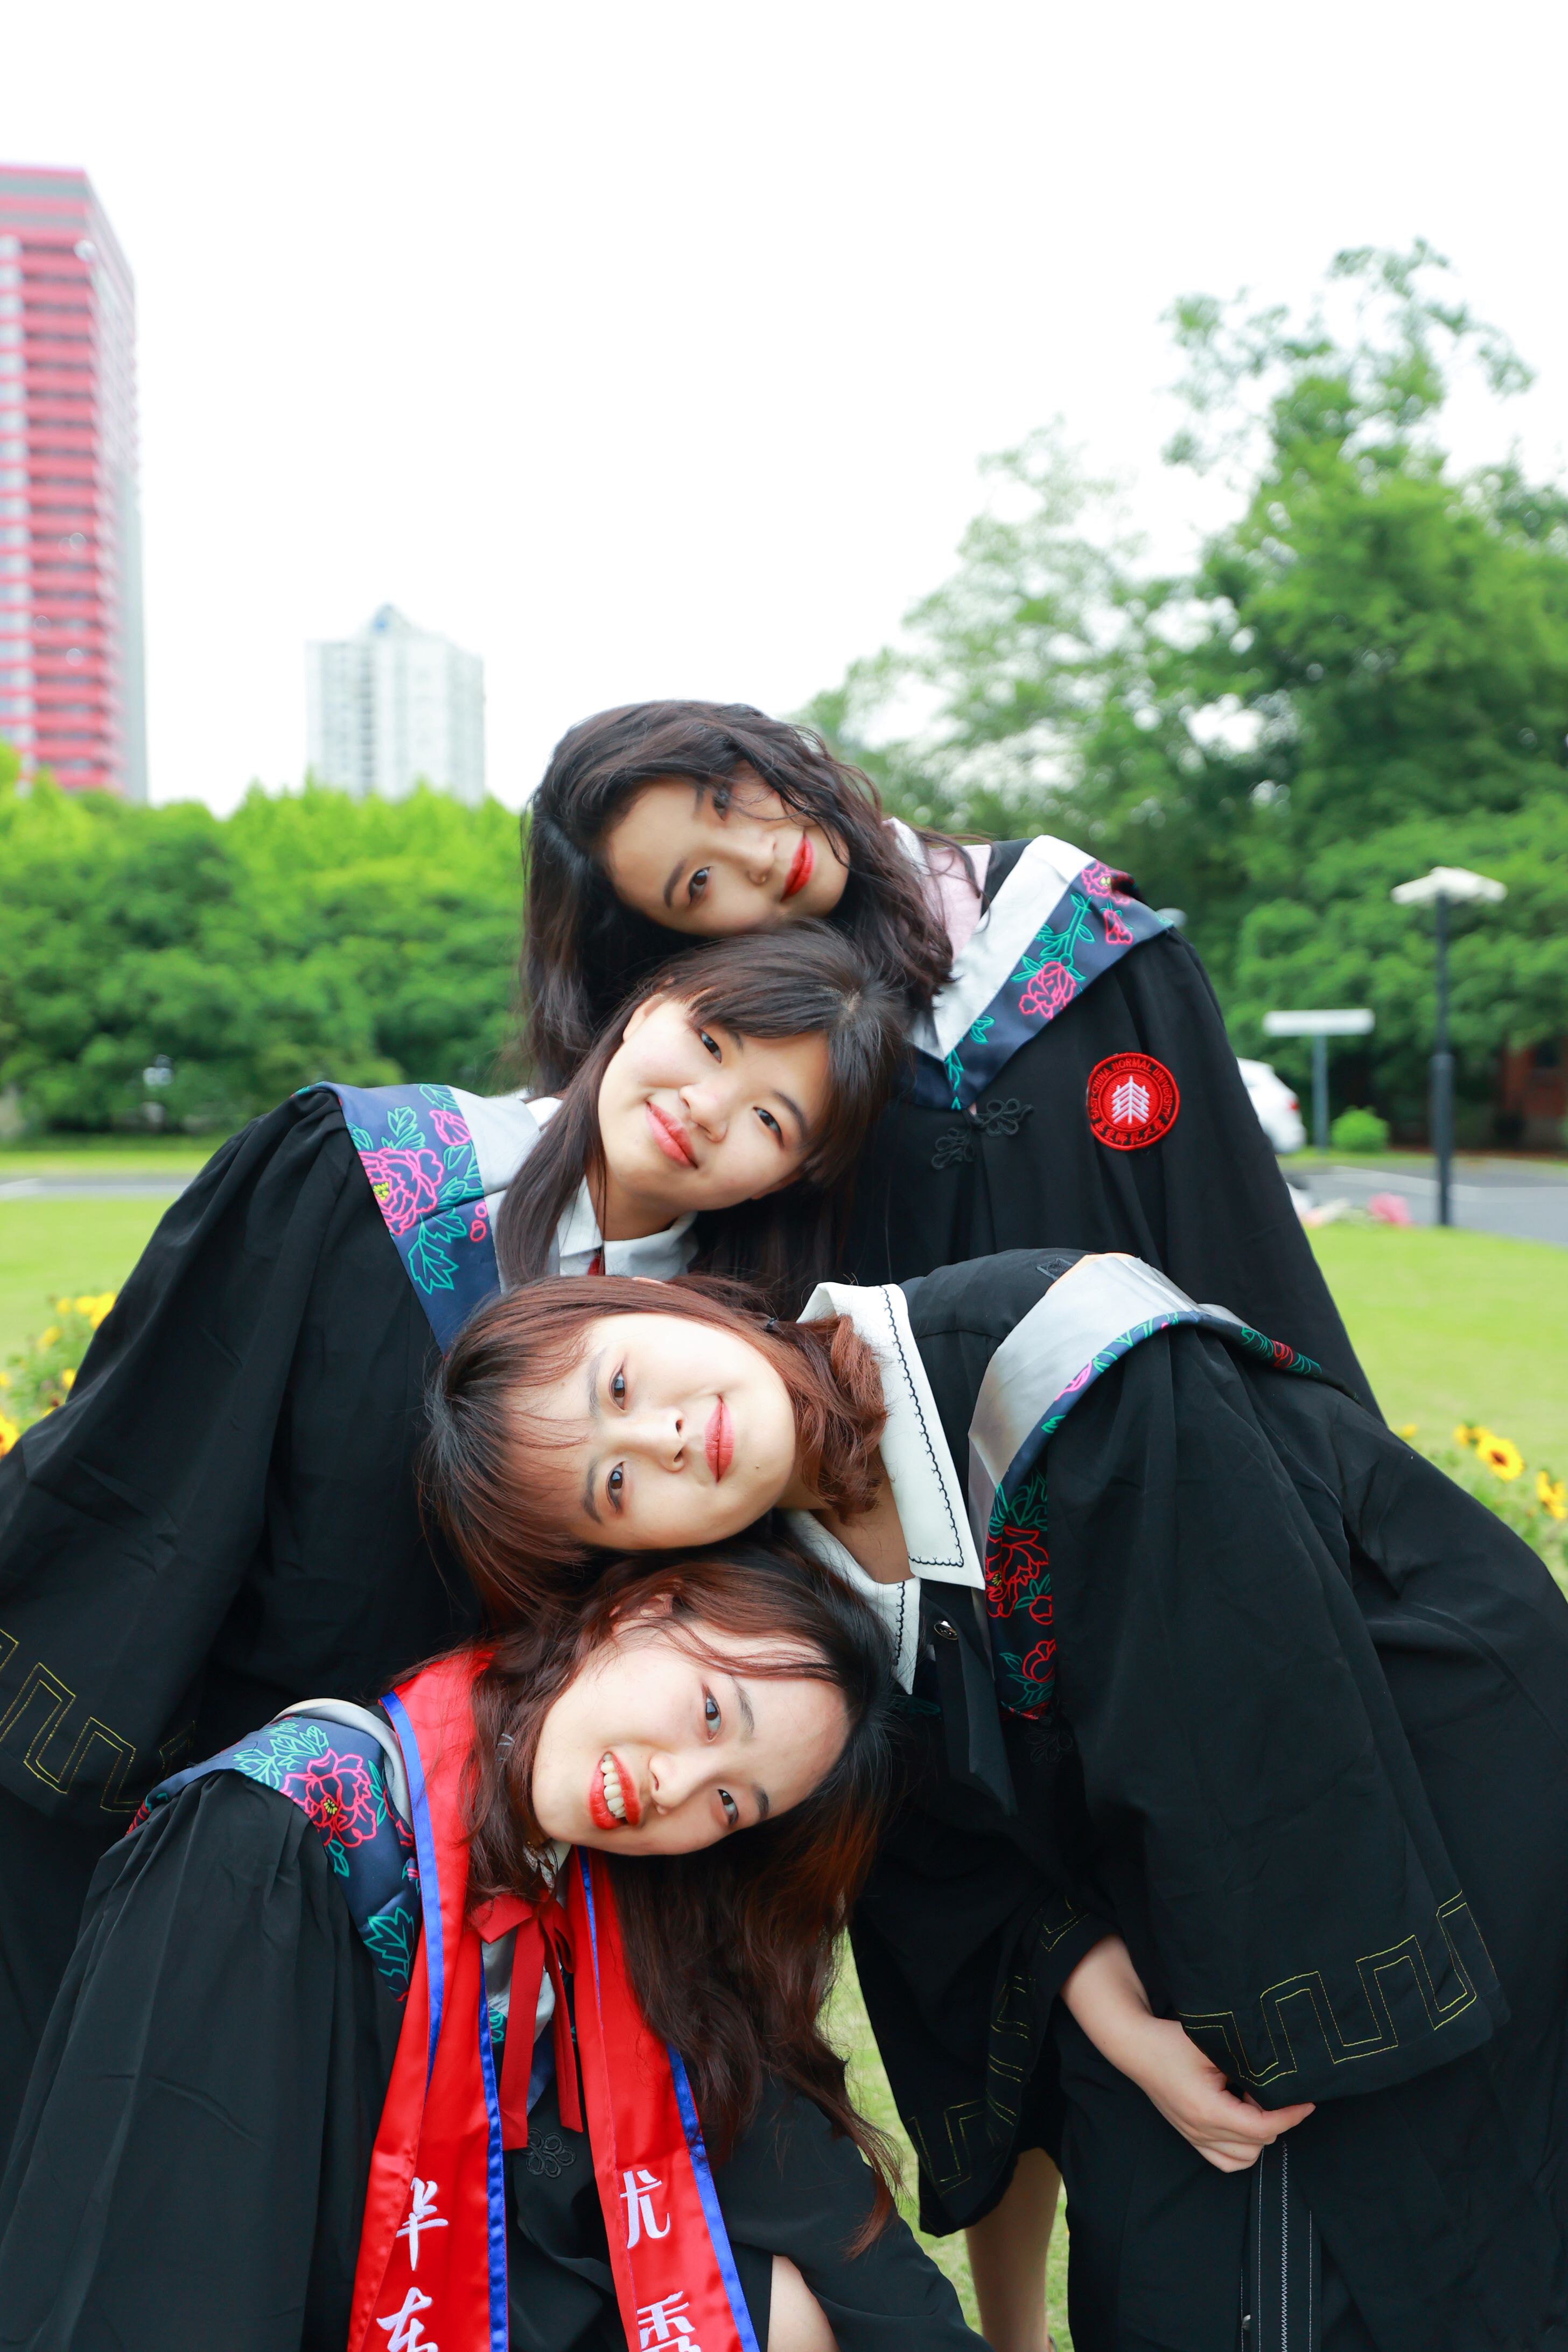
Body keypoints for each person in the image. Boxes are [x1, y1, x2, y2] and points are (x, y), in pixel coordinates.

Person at [426, 1265, 1568, 2351]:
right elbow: (938, 1860)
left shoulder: (1051, 1361)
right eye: (615, 1488)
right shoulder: (783, 1614)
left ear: (658, 1303)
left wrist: (1204, 2039)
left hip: (1428, 1815)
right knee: (1166, 2277)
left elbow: (1258, 1739)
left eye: (620, 1386)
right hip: (1172, 1916)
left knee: (1399, 2243)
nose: (663, 1439)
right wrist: (1107, 2008)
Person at [0, 927, 902, 2152]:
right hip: (154, 1741)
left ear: (784, 1178)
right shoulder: (368, 1167)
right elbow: (153, 1448)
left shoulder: (715, 1396)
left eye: (771, 1120)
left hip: (415, 1854)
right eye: (710, 1039)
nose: (706, 1105)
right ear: (648, 1003)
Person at [0, 1541, 985, 2352]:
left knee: (774, 2317)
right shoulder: (283, 1829)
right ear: (637, 1611)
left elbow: (794, 2173)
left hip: (481, 2286)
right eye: (711, 1711)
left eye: (731, 1802)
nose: (676, 1787)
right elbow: (158, 2261)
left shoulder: (609, 1887)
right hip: (282, 2306)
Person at [520, 698, 1373, 1409]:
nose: (759, 855)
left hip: (1170, 1458)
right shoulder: (739, 1109)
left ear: (757, 750)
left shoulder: (1070, 927)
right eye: (699, 884)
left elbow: (1239, 1242)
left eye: (722, 797)